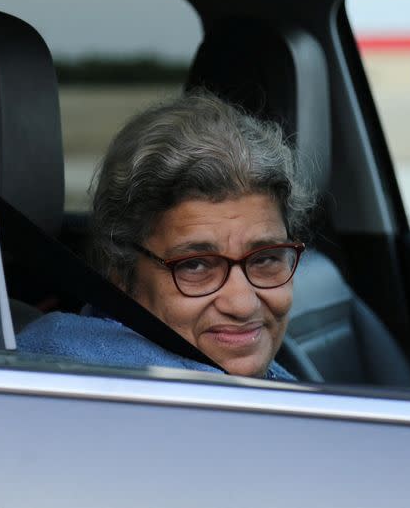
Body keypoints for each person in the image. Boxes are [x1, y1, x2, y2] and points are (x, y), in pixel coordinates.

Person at [17, 89, 314, 380]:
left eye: (265, 259)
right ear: (121, 274)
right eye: (195, 265)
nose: (243, 304)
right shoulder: (74, 386)